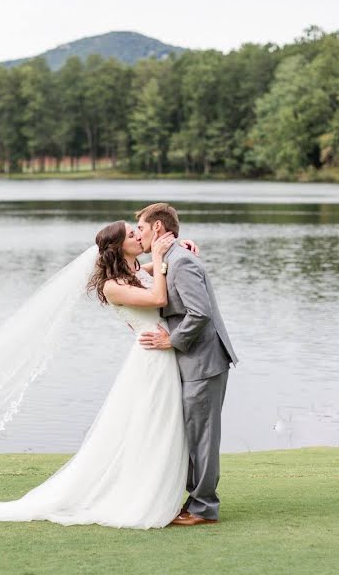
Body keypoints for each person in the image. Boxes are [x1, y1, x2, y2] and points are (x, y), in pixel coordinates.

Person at [0, 221, 197, 529]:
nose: (140, 236)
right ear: (118, 247)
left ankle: (156, 488)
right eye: (132, 234)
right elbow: (158, 300)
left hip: (161, 354)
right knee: (153, 426)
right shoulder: (113, 286)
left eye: (138, 231)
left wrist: (177, 252)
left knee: (160, 425)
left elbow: (145, 273)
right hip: (152, 358)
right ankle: (141, 496)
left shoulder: (133, 271)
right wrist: (162, 260)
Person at [135, 202, 239, 526]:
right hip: (190, 364)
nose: (138, 234)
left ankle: (203, 508)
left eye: (140, 228)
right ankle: (193, 500)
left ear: (157, 228)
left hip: (204, 362)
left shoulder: (181, 261)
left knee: (203, 436)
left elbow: (200, 312)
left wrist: (172, 341)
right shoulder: (170, 259)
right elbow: (137, 273)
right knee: (191, 434)